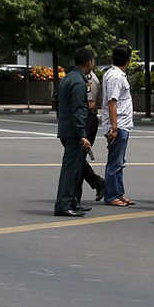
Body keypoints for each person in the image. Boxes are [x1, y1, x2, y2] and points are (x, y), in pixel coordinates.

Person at [54, 47, 96, 217]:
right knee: (71, 170)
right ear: (89, 62)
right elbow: (78, 110)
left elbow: (58, 104)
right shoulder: (78, 82)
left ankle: (73, 202)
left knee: (77, 168)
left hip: (66, 129)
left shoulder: (68, 78)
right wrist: (82, 134)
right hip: (74, 132)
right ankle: (64, 205)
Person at [101, 43, 135, 207]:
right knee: (115, 162)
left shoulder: (117, 74)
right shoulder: (115, 76)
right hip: (118, 124)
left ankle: (118, 193)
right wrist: (114, 128)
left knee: (119, 161)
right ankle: (112, 195)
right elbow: (112, 102)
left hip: (122, 124)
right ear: (128, 59)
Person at [79, 63, 105, 203]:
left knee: (78, 156)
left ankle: (98, 182)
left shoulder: (91, 80)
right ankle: (97, 182)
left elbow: (91, 104)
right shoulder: (80, 78)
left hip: (88, 119)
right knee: (77, 158)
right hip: (82, 119)